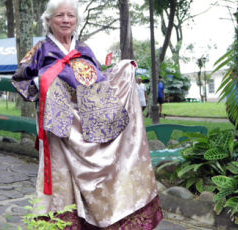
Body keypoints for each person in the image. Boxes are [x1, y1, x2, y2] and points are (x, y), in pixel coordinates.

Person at [11, 0, 163, 229]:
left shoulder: (84, 51)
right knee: (63, 178)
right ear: (49, 20)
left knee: (100, 171)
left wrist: (123, 71)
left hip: (87, 124)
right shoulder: (41, 49)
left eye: (70, 16)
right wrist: (41, 82)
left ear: (76, 21)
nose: (65, 20)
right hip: (59, 128)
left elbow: (101, 83)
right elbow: (20, 80)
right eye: (59, 15)